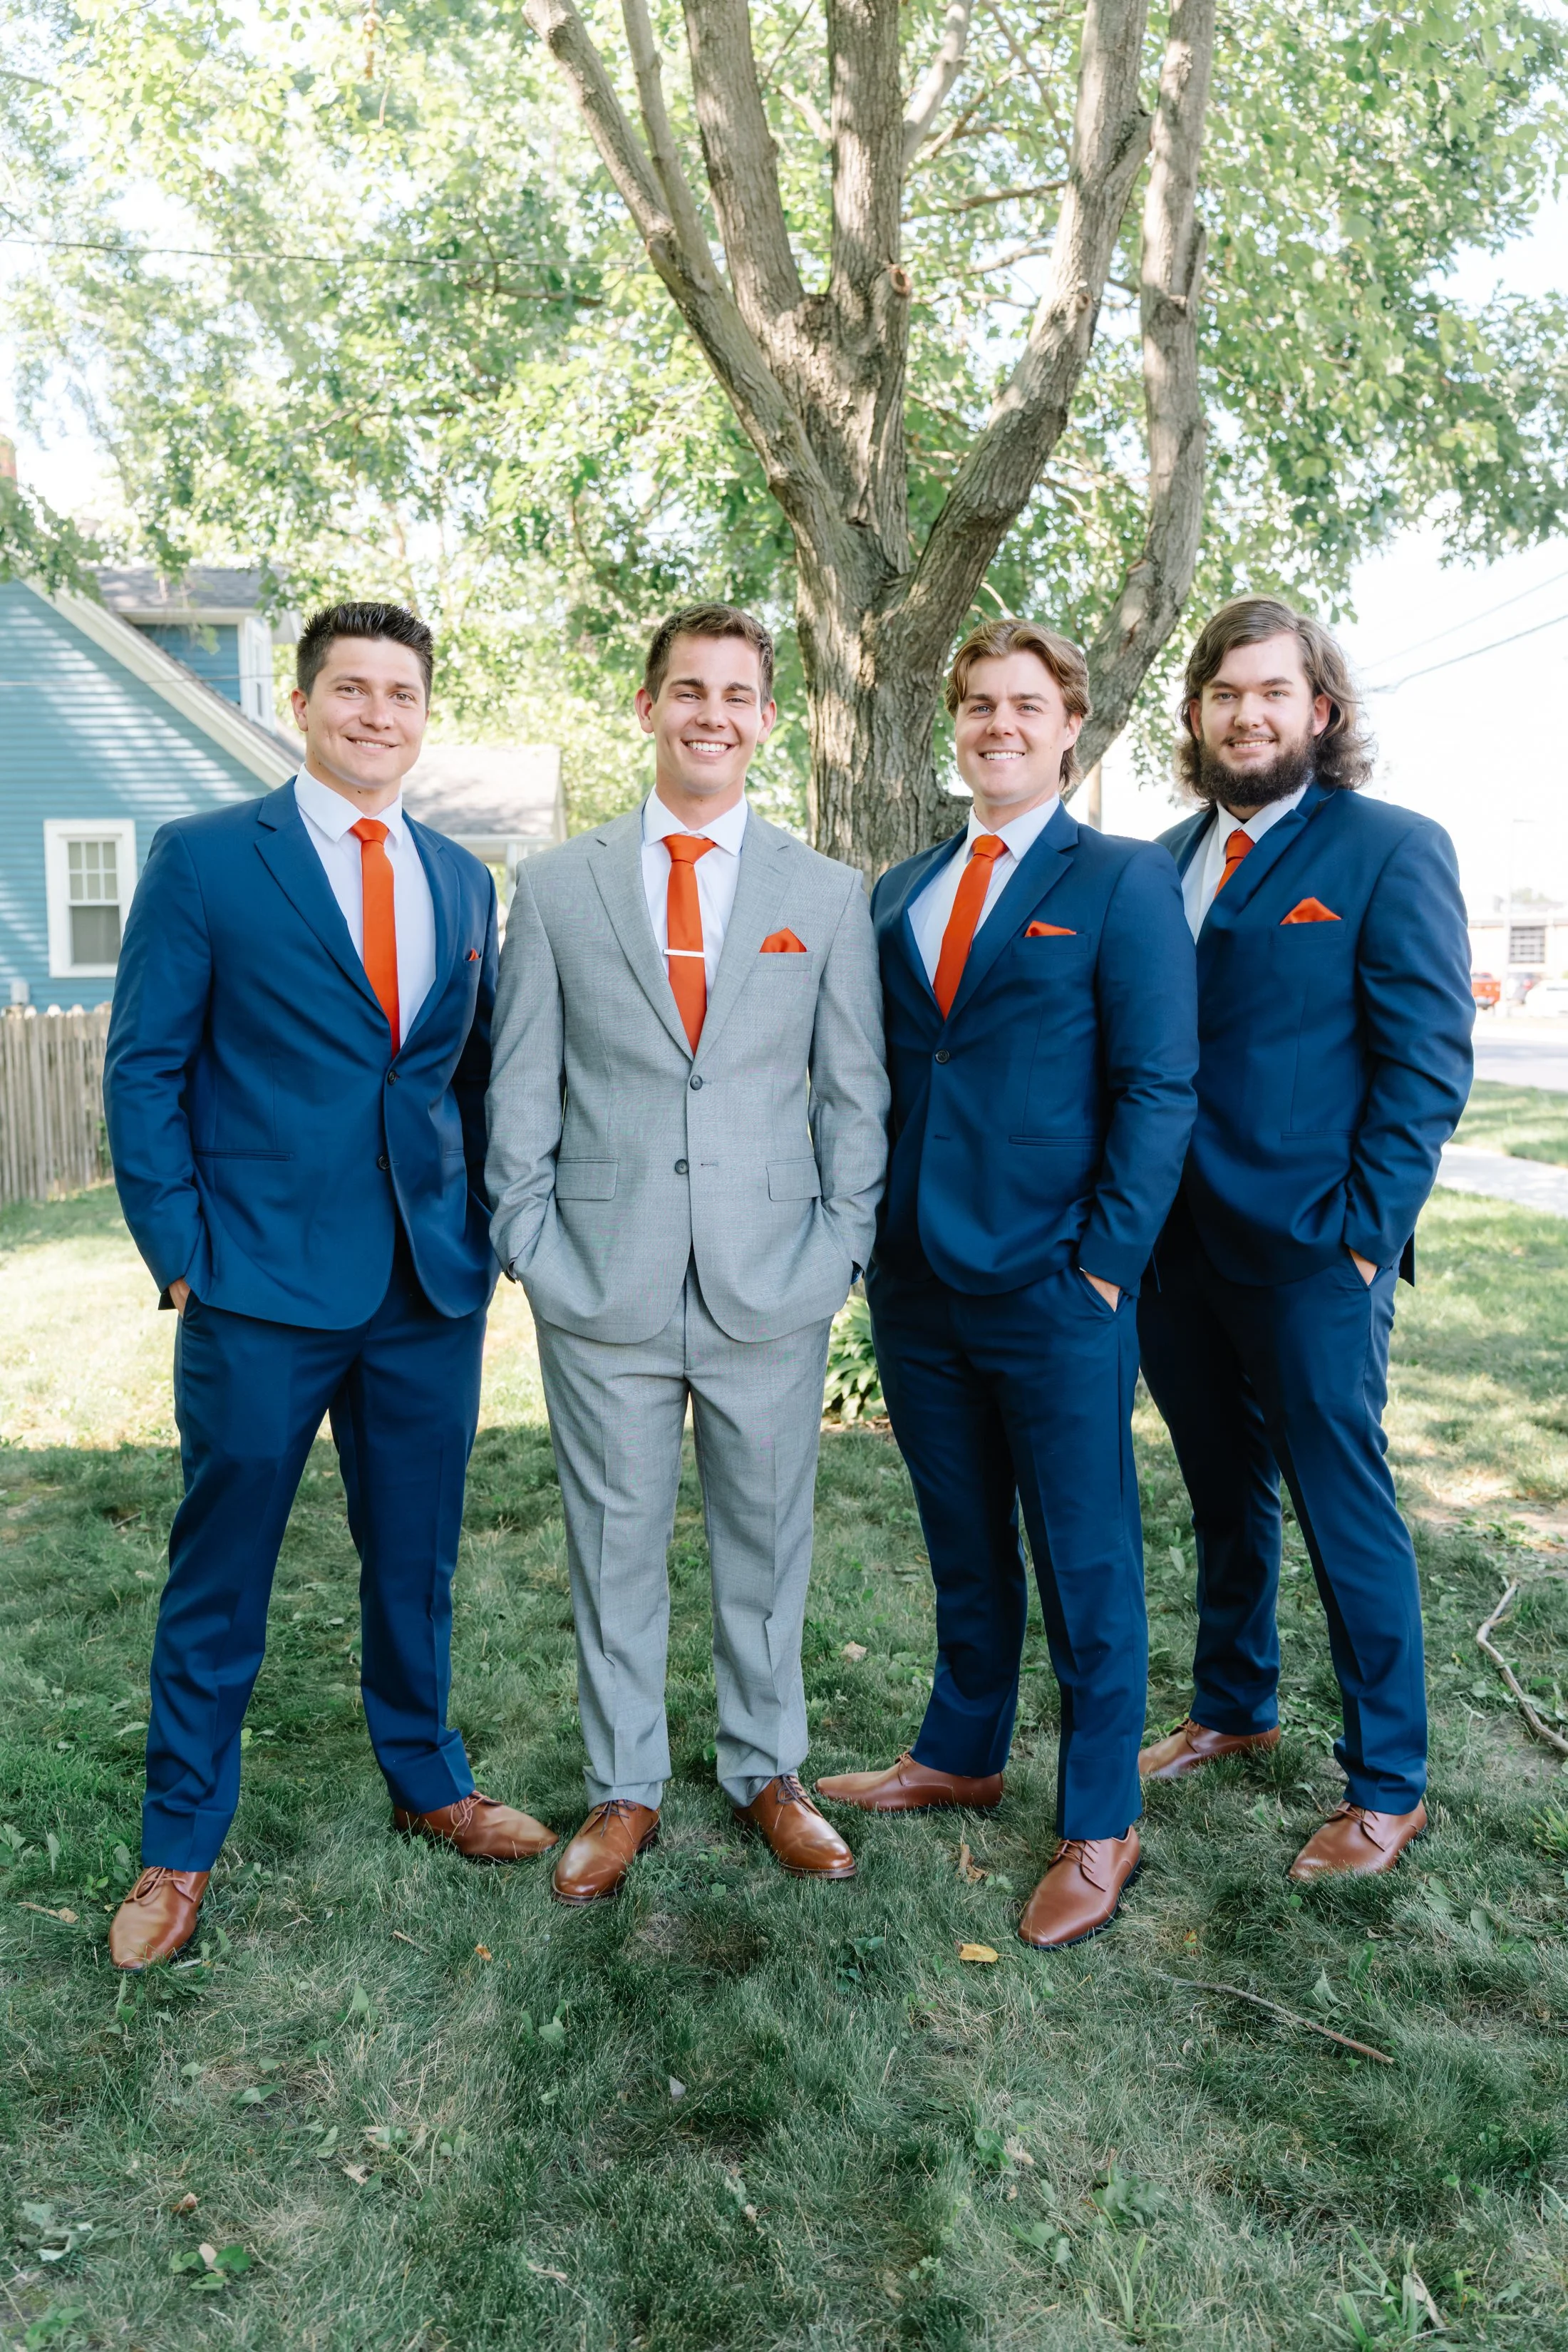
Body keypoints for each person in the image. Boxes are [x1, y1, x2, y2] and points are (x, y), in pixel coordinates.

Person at [102, 602, 555, 1971]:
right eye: (351, 689)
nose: (377, 713)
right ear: (304, 706)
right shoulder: (204, 862)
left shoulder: (464, 882)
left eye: (402, 693)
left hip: (426, 1286)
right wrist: (182, 1253)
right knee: (221, 1570)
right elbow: (144, 1068)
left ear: (425, 716)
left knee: (414, 1557)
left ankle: (429, 1781)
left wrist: (472, 1235)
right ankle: (178, 1846)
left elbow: (464, 1080)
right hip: (256, 1281)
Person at [486, 603, 889, 1903]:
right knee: (612, 1544)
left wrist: (837, 1250)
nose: (712, 713)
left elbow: (853, 1099)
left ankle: (770, 1770)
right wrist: (530, 1240)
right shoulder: (556, 887)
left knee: (768, 1542)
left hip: (772, 1281)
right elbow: (521, 1087)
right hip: (599, 1276)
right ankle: (624, 1785)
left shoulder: (823, 895)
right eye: (688, 689)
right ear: (647, 707)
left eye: (738, 694)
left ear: (768, 719)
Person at [815, 619, 1197, 1949]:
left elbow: (1159, 1085)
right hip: (917, 1280)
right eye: (978, 704)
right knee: (963, 1539)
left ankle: (1101, 1819)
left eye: (1025, 707)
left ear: (1070, 727)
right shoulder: (901, 889)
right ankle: (962, 1750)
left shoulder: (1124, 878)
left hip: (1055, 1284)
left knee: (1084, 1557)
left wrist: (1102, 1267)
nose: (998, 725)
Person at [1135, 596, 1472, 1882]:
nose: (1248, 713)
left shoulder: (1390, 849)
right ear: (1198, 714)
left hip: (1316, 1253)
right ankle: (1234, 1705)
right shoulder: (1158, 858)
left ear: (1319, 713)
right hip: (1173, 1254)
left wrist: (1362, 1240)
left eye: (1273, 692)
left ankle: (1389, 1781)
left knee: (1344, 1506)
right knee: (1224, 1490)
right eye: (1225, 693)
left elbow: (1427, 1062)